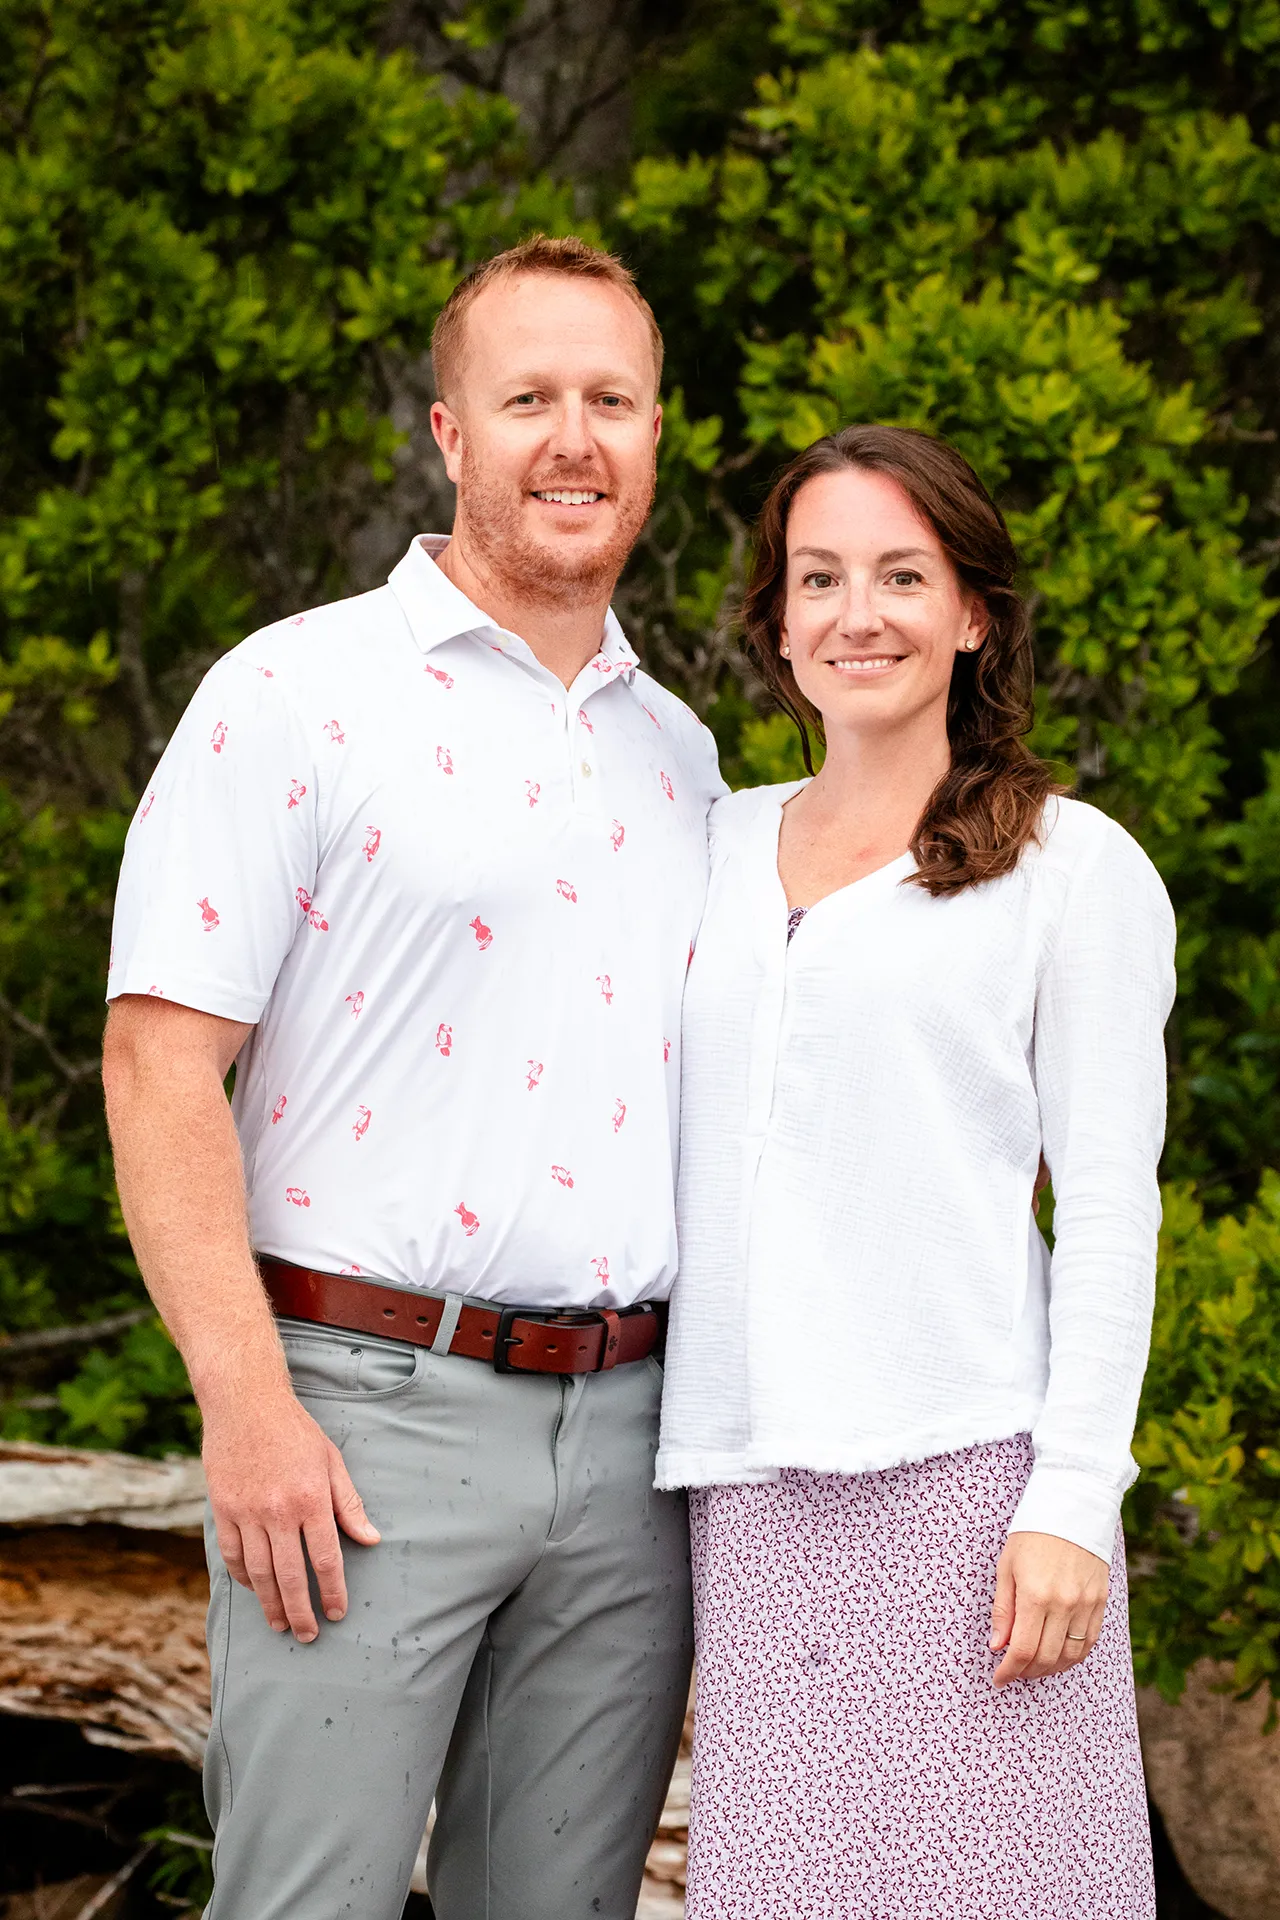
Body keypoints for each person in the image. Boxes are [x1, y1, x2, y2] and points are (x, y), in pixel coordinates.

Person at [102, 234, 724, 1920]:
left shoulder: (682, 751)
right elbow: (160, 1067)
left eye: (613, 399)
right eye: (529, 399)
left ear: (660, 434)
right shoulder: (292, 694)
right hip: (359, 1424)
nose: (574, 439)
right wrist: (247, 1406)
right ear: (450, 433)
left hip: (628, 1448)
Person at [656, 424, 1176, 1918]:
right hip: (748, 1490)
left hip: (971, 1487)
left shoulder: (1071, 868)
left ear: (972, 613)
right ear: (773, 618)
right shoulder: (712, 842)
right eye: (817, 578)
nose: (856, 613)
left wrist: (1075, 1495)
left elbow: (1112, 1201)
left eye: (901, 574)